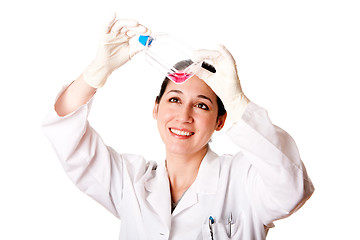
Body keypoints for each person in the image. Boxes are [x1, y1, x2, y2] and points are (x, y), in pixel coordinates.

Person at [42, 14, 314, 240]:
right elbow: (67, 139)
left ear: (221, 121)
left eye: (202, 105)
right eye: (174, 99)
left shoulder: (244, 180)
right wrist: (96, 71)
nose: (184, 115)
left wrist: (238, 102)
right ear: (156, 108)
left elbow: (291, 188)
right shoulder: (131, 183)